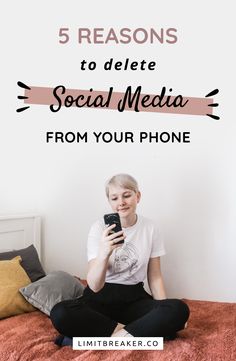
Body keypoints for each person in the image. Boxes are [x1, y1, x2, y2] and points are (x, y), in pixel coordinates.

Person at [50, 174, 189, 343]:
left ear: (138, 196)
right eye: (114, 198)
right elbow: (94, 285)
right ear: (109, 202)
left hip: (134, 299)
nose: (121, 202)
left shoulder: (151, 228)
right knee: (60, 313)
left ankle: (106, 338)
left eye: (127, 195)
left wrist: (163, 310)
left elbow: (155, 276)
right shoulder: (98, 228)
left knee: (178, 309)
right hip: (99, 298)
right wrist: (103, 253)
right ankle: (132, 334)